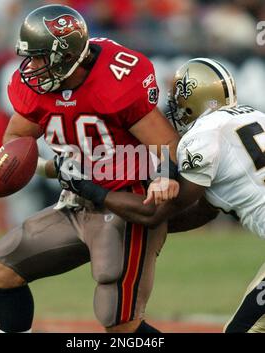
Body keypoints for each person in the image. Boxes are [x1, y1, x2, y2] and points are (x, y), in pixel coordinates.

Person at [0, 4, 180, 333]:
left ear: (64, 55)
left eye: (39, 57)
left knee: (118, 322)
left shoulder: (116, 79)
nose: (30, 67)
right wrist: (46, 167)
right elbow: (18, 135)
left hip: (125, 204)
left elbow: (166, 144)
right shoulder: (38, 86)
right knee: (3, 268)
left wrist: (162, 180)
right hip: (77, 202)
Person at [65, 57, 265, 333]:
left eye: (179, 99)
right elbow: (202, 211)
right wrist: (148, 229)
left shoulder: (202, 135)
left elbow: (156, 213)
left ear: (192, 98)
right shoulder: (254, 117)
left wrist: (89, 189)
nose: (175, 108)